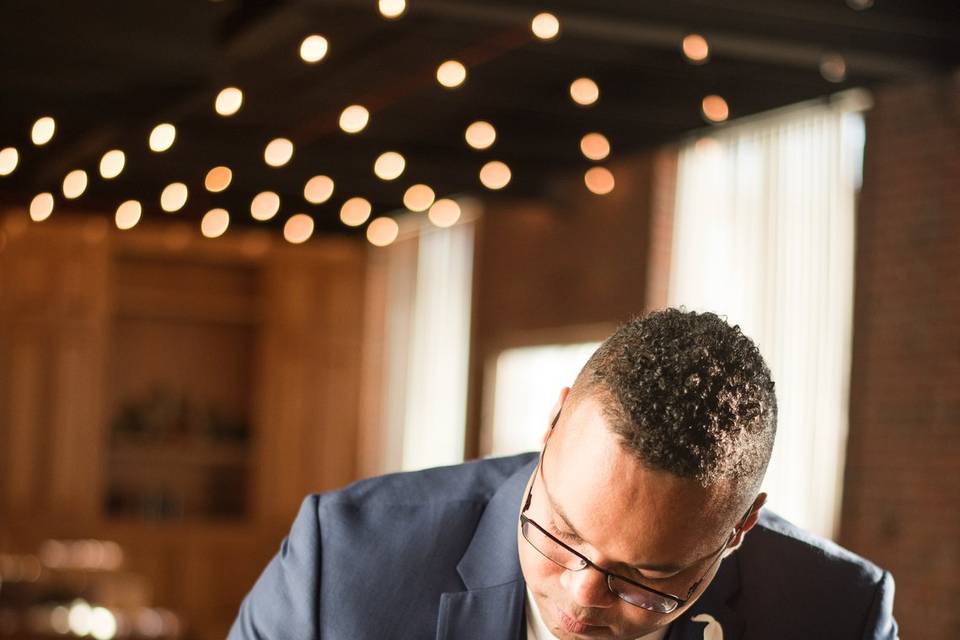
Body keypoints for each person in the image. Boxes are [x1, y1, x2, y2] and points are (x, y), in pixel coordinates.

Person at [229, 309, 898, 640]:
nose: (582, 599)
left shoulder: (835, 612)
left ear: (739, 528)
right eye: (560, 532)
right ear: (552, 429)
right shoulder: (345, 564)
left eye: (646, 577)